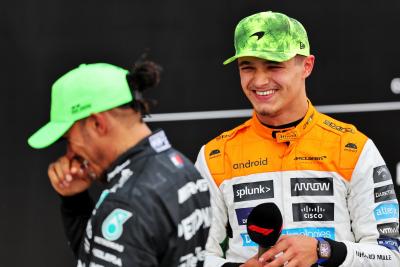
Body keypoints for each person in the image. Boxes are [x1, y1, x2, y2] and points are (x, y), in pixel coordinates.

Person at [195, 11, 400, 267]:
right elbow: (193, 257)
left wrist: (323, 250)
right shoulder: (216, 155)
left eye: (273, 66)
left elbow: (390, 256)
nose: (259, 81)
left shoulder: (353, 148)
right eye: (247, 67)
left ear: (307, 66)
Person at [28, 60, 211, 267]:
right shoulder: (184, 170)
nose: (70, 154)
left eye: (69, 139)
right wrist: (75, 202)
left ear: (98, 124)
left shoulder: (127, 204)